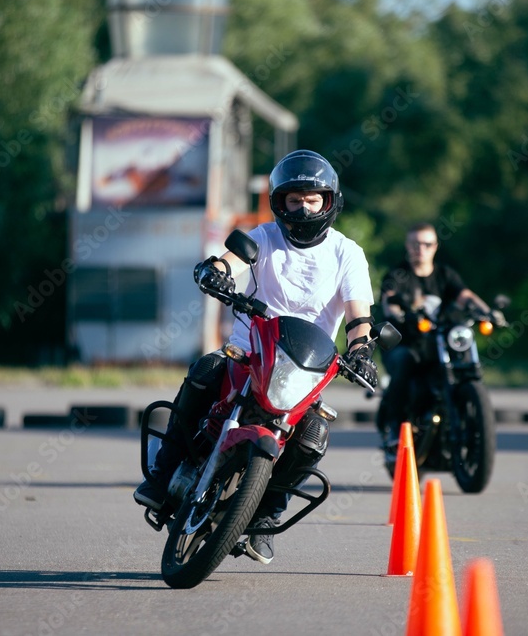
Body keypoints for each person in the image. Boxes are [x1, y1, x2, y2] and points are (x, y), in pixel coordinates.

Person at [134, 149, 379, 565]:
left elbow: (359, 316)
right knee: (205, 370)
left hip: (306, 368)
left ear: (330, 202)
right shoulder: (264, 237)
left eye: (313, 198)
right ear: (278, 202)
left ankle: (266, 515)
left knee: (314, 436)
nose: (303, 206)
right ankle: (164, 471)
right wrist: (217, 270)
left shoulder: (347, 253)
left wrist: (361, 349)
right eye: (293, 199)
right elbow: (231, 260)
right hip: (251, 349)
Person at [375, 222, 490, 449]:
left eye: (427, 244)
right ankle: (396, 428)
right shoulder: (398, 275)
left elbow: (465, 295)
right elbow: (390, 301)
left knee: (461, 359)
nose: (421, 249)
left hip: (437, 343)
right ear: (408, 246)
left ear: (435, 246)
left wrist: (488, 312)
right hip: (404, 343)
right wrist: (399, 313)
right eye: (415, 244)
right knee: (405, 362)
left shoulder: (445, 274)